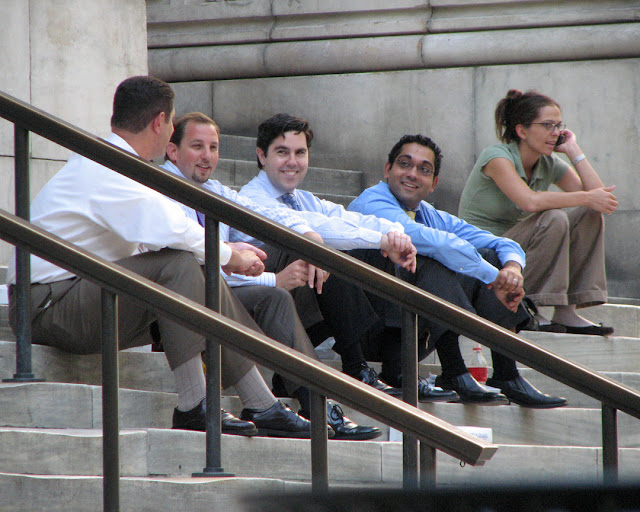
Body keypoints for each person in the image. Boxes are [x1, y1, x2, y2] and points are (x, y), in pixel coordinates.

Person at [6, 76, 324, 439]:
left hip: (75, 294)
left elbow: (154, 238)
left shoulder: (117, 162)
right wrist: (230, 256)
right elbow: (171, 229)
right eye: (172, 122)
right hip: (46, 306)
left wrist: (227, 256)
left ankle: (260, 404)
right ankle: (199, 404)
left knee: (192, 275)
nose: (171, 129)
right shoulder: (106, 165)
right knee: (179, 263)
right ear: (159, 122)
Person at [160, 111, 380, 440]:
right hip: (174, 306)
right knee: (275, 289)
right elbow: (191, 271)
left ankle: (317, 404)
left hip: (221, 289)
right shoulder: (162, 190)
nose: (208, 156)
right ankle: (321, 389)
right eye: (197, 146)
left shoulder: (216, 189)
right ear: (172, 151)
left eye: (214, 147)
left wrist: (308, 236)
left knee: (297, 277)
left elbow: (262, 212)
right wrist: (271, 279)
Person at [237, 113, 458, 404]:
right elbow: (313, 226)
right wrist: (381, 240)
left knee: (373, 253)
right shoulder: (252, 197)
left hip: (297, 304)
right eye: (282, 152)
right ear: (261, 156)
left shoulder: (302, 197)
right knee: (328, 249)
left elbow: (344, 217)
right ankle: (355, 366)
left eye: (300, 152)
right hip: (256, 305)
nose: (293, 161)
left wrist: (393, 234)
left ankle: (396, 366)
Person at [348, 134, 568, 408]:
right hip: (369, 330)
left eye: (424, 169)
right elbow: (431, 241)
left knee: (489, 254)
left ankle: (506, 375)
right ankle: (453, 371)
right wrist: (493, 277)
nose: (412, 174)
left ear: (433, 183)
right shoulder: (372, 202)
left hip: (412, 326)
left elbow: (500, 242)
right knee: (436, 256)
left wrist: (511, 268)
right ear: (387, 169)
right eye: (405, 164)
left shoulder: (428, 212)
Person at [459, 89, 617, 335]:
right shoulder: (497, 157)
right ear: (522, 131)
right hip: (485, 254)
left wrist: (574, 150)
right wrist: (588, 197)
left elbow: (599, 198)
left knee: (589, 214)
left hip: (518, 253)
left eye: (558, 126)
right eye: (547, 125)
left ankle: (566, 311)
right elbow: (530, 202)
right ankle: (534, 306)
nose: (555, 133)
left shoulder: (548, 164)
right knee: (553, 217)